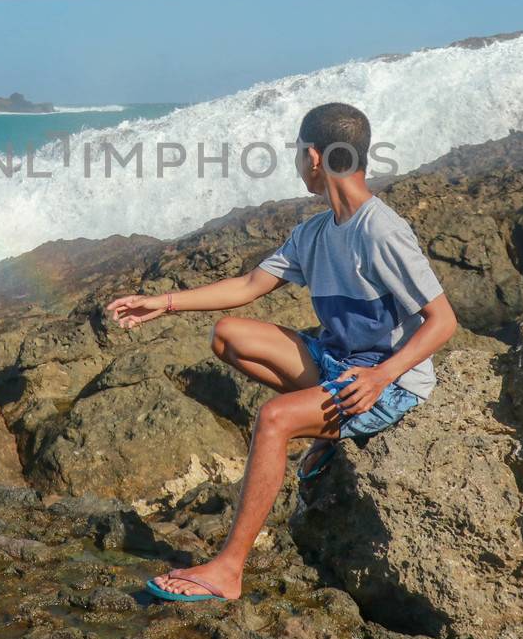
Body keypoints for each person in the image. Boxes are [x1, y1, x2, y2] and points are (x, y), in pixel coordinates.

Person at [105, 102, 458, 602]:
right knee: (228, 334)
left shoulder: (381, 231)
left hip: (387, 384)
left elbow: (443, 321)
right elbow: (249, 285)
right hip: (337, 364)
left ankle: (229, 569)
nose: (297, 162)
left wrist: (382, 377)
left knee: (274, 419)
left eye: (297, 153)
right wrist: (162, 303)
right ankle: (324, 426)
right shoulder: (314, 233)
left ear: (314, 156)